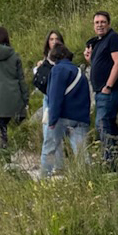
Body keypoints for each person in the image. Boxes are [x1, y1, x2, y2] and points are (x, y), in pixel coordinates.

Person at [84, 11, 118, 162]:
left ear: (109, 24)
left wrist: (108, 86)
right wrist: (90, 60)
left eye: (103, 22)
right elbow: (102, 65)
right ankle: (116, 154)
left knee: (102, 123)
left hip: (110, 89)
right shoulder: (99, 42)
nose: (100, 25)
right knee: (107, 122)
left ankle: (110, 159)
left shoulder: (113, 38)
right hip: (101, 90)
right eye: (97, 22)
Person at [41, 42, 90, 177]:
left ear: (55, 57)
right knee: (81, 152)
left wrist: (52, 120)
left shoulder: (58, 70)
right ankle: (87, 180)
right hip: (80, 118)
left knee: (49, 149)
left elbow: (55, 96)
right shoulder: (79, 72)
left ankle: (44, 179)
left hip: (62, 118)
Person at [32, 30, 65, 99]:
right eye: (51, 39)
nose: (54, 42)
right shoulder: (46, 57)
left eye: (57, 39)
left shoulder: (64, 55)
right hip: (47, 91)